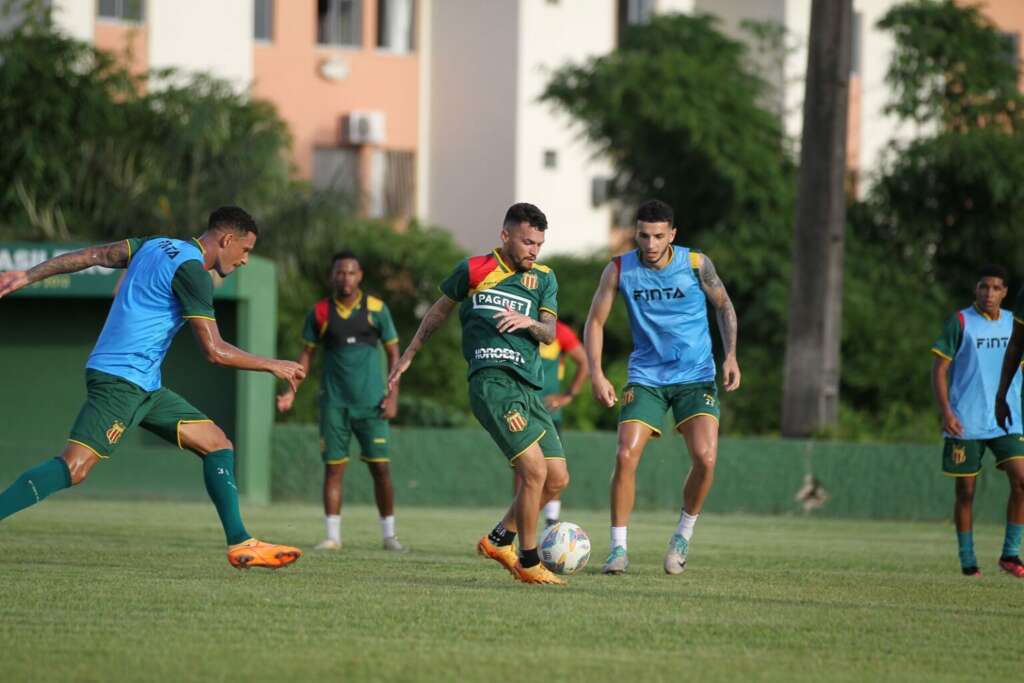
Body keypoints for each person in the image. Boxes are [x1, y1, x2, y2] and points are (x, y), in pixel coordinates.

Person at [0, 207, 305, 570]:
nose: (244, 260)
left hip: (144, 384)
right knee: (74, 467)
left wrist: (28, 275)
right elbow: (215, 351)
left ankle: (241, 542)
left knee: (217, 444)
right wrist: (273, 364)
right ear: (226, 240)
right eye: (246, 250)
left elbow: (92, 255)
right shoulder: (193, 272)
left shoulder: (156, 244)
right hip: (121, 381)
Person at [386, 202, 569, 585]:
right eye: (526, 242)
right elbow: (438, 312)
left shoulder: (545, 278)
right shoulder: (473, 270)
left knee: (557, 478)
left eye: (539, 244)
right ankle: (529, 562)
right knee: (534, 471)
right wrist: (409, 355)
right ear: (505, 236)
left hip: (529, 388)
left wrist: (529, 321)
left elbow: (550, 333)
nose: (533, 251)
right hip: (492, 383)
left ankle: (499, 538)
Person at [584, 199, 740, 575]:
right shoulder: (620, 269)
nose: (650, 244)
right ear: (635, 234)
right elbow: (595, 322)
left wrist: (731, 356)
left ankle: (682, 536)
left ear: (672, 234)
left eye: (657, 236)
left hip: (695, 376)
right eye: (642, 235)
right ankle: (618, 550)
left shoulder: (696, 264)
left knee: (705, 457)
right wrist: (597, 373)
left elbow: (724, 306)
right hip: (647, 377)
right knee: (624, 455)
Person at [277, 251, 403, 551]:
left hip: (372, 404)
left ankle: (389, 536)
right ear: (331, 276)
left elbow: (395, 355)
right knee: (334, 468)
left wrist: (392, 396)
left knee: (381, 469)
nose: (345, 278)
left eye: (351, 272)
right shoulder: (320, 312)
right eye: (339, 273)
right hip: (334, 404)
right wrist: (290, 392)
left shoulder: (376, 309)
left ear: (360, 276)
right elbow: (305, 356)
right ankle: (332, 536)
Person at [959, 265, 1024, 580]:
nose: (989, 293)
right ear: (976, 288)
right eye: (984, 287)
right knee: (966, 492)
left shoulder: (1014, 321)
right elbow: (941, 368)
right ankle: (967, 560)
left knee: (1022, 480)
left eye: (996, 288)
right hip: (969, 419)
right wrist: (947, 412)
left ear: (1005, 291)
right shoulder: (961, 322)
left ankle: (1010, 555)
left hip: (1008, 420)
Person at [537, 319, 589, 527]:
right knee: (523, 470)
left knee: (553, 469)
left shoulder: (559, 331)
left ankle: (551, 523)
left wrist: (568, 395)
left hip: (549, 413)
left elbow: (585, 362)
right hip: (521, 407)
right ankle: (519, 525)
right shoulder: (517, 322)